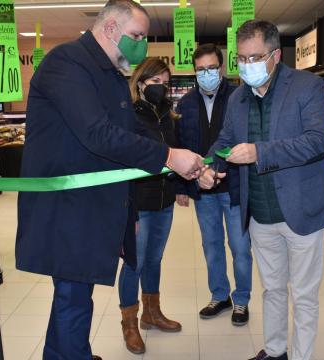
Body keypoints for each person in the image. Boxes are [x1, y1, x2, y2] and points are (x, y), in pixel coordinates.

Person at [15, 1, 204, 359]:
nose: (141, 45)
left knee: (74, 294)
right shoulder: (66, 62)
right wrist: (169, 157)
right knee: (73, 295)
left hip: (93, 203)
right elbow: (97, 134)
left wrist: (186, 163)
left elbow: (132, 134)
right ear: (110, 29)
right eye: (136, 35)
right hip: (66, 206)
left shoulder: (110, 75)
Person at [199, 20, 324, 360]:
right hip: (259, 213)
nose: (247, 66)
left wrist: (260, 152)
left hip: (302, 210)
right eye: (242, 59)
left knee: (303, 295)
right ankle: (275, 351)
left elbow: (318, 141)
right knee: (272, 289)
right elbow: (226, 142)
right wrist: (208, 167)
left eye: (255, 57)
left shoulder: (307, 86)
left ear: (275, 54)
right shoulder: (238, 98)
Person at [176, 43, 253, 326]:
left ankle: (242, 299)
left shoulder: (239, 97)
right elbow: (181, 146)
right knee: (211, 245)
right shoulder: (185, 104)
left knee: (240, 247)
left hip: (233, 186)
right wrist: (183, 188)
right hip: (201, 188)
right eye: (200, 69)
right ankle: (219, 295)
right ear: (194, 71)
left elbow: (241, 139)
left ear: (221, 68)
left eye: (211, 68)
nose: (206, 73)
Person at [118, 57, 182, 354]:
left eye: (165, 83)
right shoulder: (129, 116)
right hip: (139, 202)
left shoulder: (167, 115)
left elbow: (174, 155)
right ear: (140, 82)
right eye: (155, 82)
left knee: (154, 260)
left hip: (164, 199)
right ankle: (129, 324)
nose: (161, 88)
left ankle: (151, 313)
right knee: (134, 262)